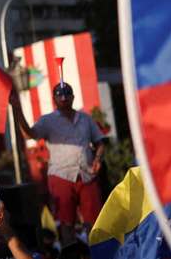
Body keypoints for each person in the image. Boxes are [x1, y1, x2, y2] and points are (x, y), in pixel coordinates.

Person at [10, 85, 107, 244]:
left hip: (87, 174)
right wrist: (17, 111)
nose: (64, 98)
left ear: (73, 97)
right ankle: (72, 258)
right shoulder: (48, 120)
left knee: (95, 222)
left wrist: (98, 159)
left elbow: (100, 142)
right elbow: (29, 134)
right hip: (61, 176)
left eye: (67, 94)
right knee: (66, 223)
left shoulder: (85, 118)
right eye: (59, 95)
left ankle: (96, 255)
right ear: (54, 99)